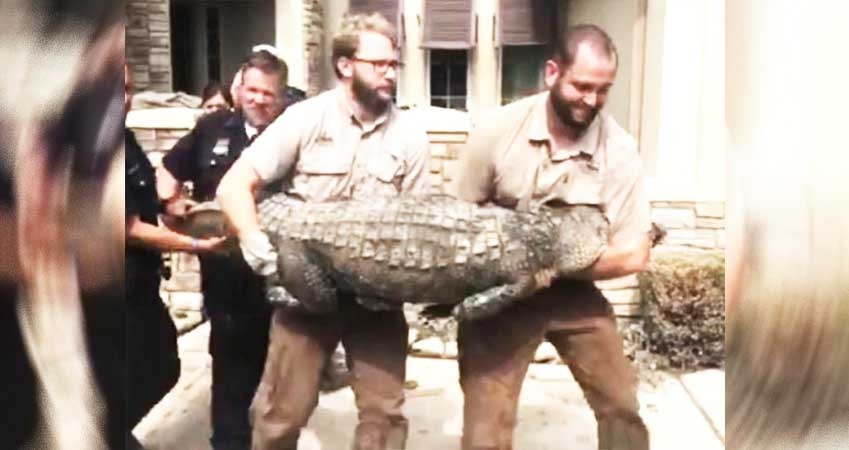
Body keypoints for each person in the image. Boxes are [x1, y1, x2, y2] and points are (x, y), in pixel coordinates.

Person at [216, 12, 430, 450]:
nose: (389, 73)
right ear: (346, 65)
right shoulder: (305, 119)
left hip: (377, 301)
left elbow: (418, 221)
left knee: (385, 416)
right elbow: (235, 184)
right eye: (379, 64)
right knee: (281, 415)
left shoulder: (410, 136)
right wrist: (253, 238)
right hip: (305, 294)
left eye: (394, 65)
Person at [451, 24, 651, 450]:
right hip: (500, 291)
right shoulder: (496, 131)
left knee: (622, 407)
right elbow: (457, 222)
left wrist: (547, 260)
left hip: (573, 291)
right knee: (486, 431)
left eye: (603, 90)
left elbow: (633, 255)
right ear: (552, 72)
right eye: (581, 86)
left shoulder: (619, 149)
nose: (591, 101)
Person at [157, 49, 288, 450]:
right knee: (231, 376)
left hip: (283, 279)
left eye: (268, 93)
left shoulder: (294, 131)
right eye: (252, 90)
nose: (259, 99)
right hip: (226, 279)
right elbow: (167, 170)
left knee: (283, 383)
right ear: (239, 89)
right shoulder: (212, 127)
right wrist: (170, 203)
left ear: (281, 96)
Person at [125, 64, 225, 448]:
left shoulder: (123, 139)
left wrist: (174, 210)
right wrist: (197, 246)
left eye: (129, 88)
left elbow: (144, 201)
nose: (125, 97)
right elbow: (127, 228)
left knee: (164, 366)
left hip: (143, 286)